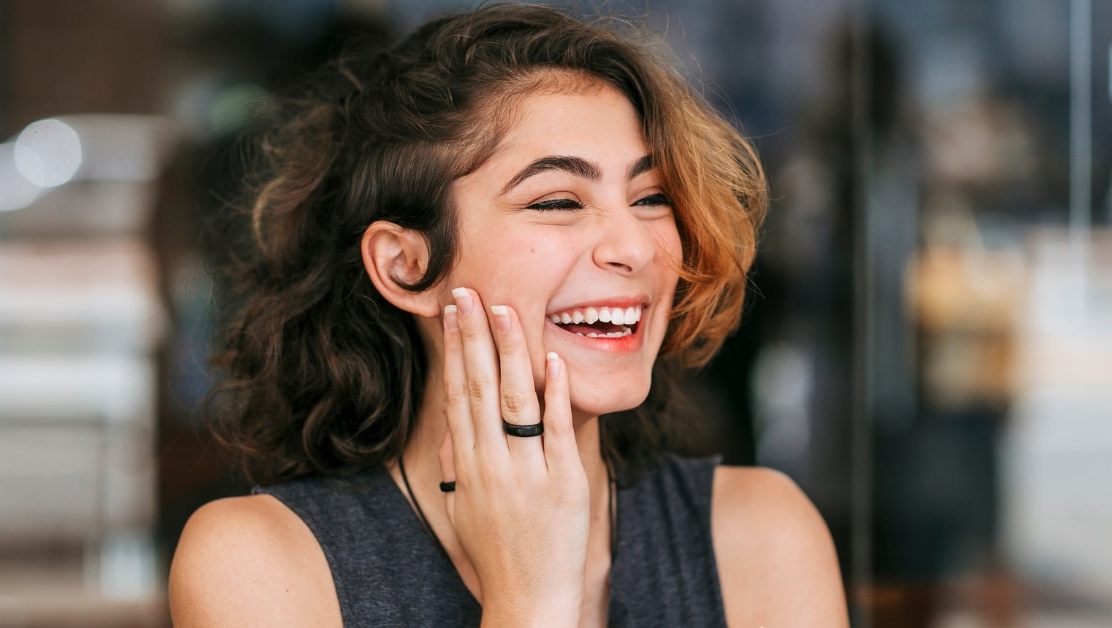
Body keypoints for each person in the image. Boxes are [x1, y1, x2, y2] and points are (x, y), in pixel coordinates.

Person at [169, 4, 847, 626]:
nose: (636, 246)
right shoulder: (263, 563)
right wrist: (532, 601)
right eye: (557, 201)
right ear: (406, 265)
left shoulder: (760, 538)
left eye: (651, 197)